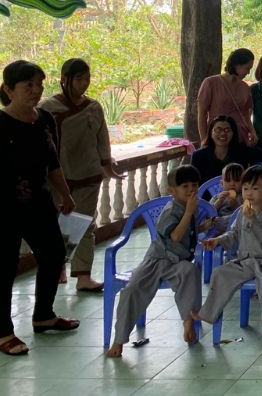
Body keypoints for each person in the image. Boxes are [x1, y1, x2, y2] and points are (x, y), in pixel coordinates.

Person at [1, 61, 79, 356]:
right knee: (5, 268)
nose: (36, 90)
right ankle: (3, 332)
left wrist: (65, 193)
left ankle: (43, 315)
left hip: (39, 201)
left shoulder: (44, 119)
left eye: (39, 85)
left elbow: (52, 162)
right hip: (5, 208)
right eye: (28, 86)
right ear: (9, 90)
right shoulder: (1, 123)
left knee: (54, 254)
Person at [106, 165, 212, 357]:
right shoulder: (171, 210)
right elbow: (176, 236)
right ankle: (119, 340)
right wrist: (189, 212)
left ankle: (188, 321)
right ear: (172, 191)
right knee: (132, 289)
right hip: (157, 259)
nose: (191, 190)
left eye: (194, 185)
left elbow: (190, 229)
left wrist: (204, 224)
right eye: (185, 186)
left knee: (190, 272)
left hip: (178, 261)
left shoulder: (191, 207)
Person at [39, 58, 119, 292]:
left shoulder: (93, 107)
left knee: (84, 224)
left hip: (88, 174)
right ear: (64, 79)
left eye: (87, 78)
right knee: (55, 225)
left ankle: (83, 275)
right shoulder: (48, 108)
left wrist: (107, 165)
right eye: (78, 78)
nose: (84, 83)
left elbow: (102, 139)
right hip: (56, 177)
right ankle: (58, 267)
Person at [197, 166, 262, 336]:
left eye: (255, 188)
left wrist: (253, 220)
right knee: (220, 273)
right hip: (244, 261)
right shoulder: (242, 212)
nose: (249, 193)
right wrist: (218, 240)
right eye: (245, 189)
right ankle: (209, 314)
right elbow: (234, 234)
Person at [197, 48, 256, 147]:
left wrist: (253, 132)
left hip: (240, 138)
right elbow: (202, 114)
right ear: (238, 65)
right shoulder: (210, 83)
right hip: (218, 138)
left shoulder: (245, 87)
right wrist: (204, 139)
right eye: (247, 68)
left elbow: (246, 115)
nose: (248, 72)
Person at [191, 115, 257, 181]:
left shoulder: (243, 152)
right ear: (211, 133)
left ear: (233, 133)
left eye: (227, 130)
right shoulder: (198, 156)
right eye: (218, 130)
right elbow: (193, 181)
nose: (222, 133)